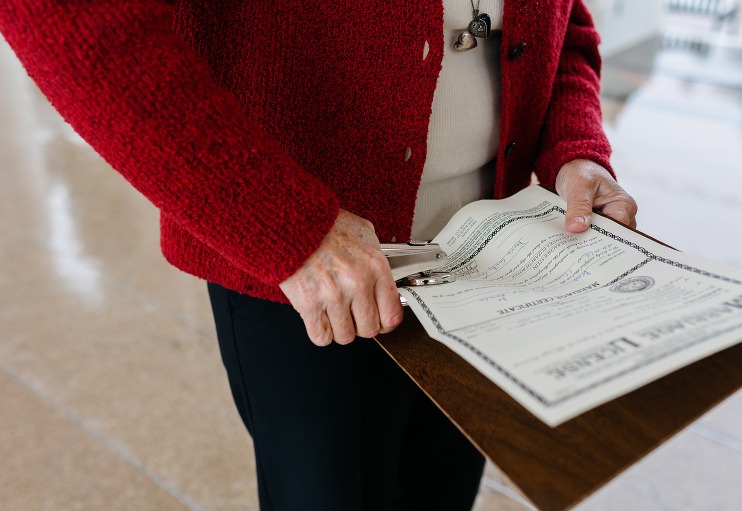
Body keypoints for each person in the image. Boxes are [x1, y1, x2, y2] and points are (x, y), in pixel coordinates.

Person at [0, 0, 637, 510]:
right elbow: (67, 21)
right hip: (305, 267)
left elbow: (565, 19)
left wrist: (573, 142)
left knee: (444, 486)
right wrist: (284, 225)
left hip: (487, 262)